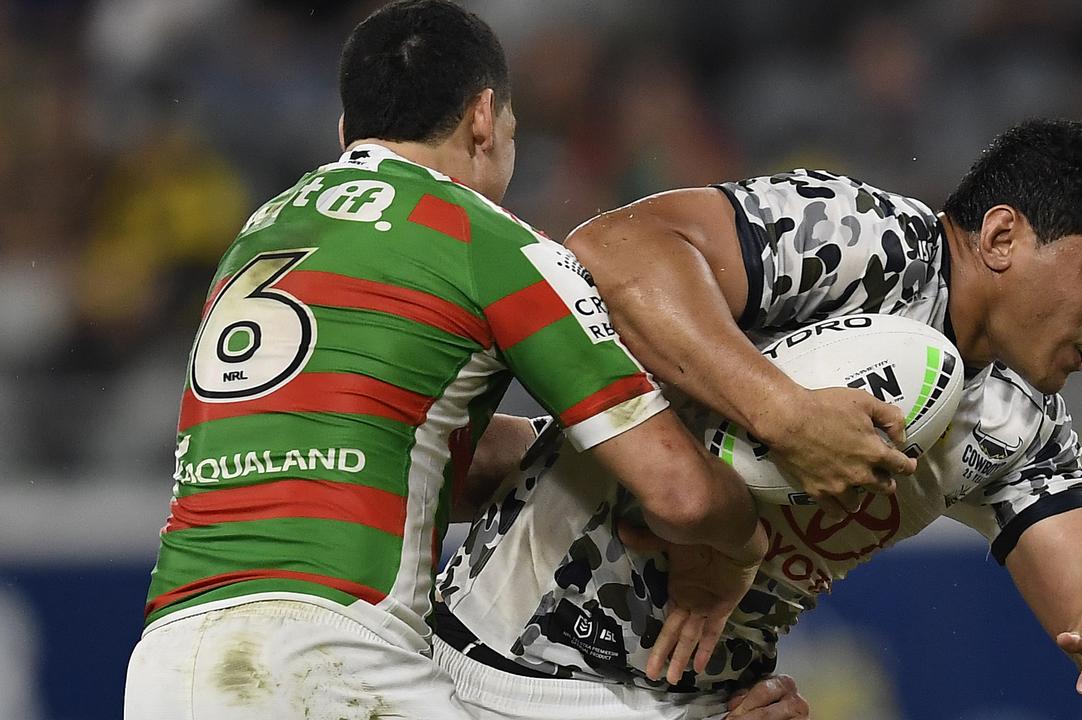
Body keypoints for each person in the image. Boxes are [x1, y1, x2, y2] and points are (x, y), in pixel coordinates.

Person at [122, 2, 817, 717]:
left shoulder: (262, 230)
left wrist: (563, 461)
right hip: (329, 656)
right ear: (484, 117)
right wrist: (744, 538)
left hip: (166, 660)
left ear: (346, 132)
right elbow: (683, 496)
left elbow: (401, 452)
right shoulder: (495, 246)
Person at [434, 118, 1082, 720]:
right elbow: (615, 248)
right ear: (1000, 238)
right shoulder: (868, 243)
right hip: (506, 668)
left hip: (704, 701)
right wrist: (784, 414)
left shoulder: (1019, 420)